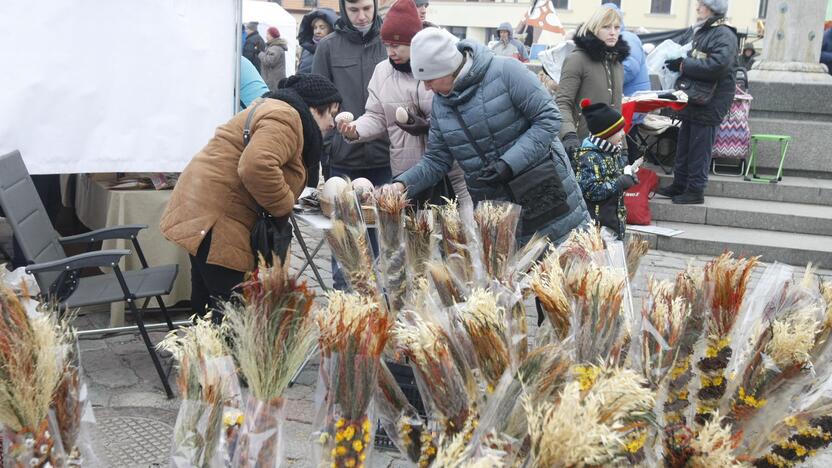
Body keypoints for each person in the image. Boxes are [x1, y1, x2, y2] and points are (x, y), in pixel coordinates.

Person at [382, 28, 590, 245]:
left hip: (546, 193)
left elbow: (549, 120)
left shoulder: (506, 71)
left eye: (429, 79)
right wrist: (402, 185)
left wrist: (509, 163)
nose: (426, 87)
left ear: (447, 68)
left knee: (565, 264)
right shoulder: (441, 105)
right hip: (498, 212)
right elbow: (436, 160)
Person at [160, 74, 342, 320]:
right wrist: (285, 204)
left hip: (204, 207)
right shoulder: (286, 117)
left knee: (209, 302)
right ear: (312, 107)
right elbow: (257, 165)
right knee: (230, 311)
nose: (333, 122)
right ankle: (224, 357)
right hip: (218, 218)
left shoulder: (274, 108)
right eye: (330, 113)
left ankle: (203, 355)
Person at [337, 0, 472, 213]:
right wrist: (356, 130)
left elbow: (459, 114)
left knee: (456, 234)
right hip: (405, 172)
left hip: (450, 172)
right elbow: (376, 115)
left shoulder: (438, 67)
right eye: (387, 45)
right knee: (414, 237)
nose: (391, 51)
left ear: (414, 43)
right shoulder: (382, 73)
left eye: (397, 45)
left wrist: (429, 126)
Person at [313, 0, 391, 290]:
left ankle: (372, 297)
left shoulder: (388, 45)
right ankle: (345, 297)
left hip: (385, 159)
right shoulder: (328, 47)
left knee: (379, 236)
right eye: (354, 10)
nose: (361, 17)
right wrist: (330, 146)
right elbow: (318, 104)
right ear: (344, 9)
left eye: (367, 10)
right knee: (345, 237)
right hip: (344, 159)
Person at [658, 0, 737, 205]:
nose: (697, 8)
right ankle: (680, 183)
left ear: (713, 8)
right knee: (685, 143)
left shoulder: (723, 34)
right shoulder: (706, 31)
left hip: (711, 100)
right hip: (697, 96)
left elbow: (717, 65)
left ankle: (695, 189)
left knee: (699, 147)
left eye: (701, 4)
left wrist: (684, 64)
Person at [556, 7, 630, 158]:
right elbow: (562, 102)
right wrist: (569, 135)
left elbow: (617, 109)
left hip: (611, 148)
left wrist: (624, 149)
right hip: (582, 144)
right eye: (606, 27)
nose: (613, 32)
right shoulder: (576, 59)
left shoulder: (617, 62)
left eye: (616, 27)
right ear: (594, 28)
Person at [573, 100, 637, 240]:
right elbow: (591, 190)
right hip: (597, 223)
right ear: (606, 134)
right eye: (618, 130)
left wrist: (628, 177)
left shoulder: (613, 151)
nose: (623, 134)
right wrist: (619, 183)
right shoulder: (589, 156)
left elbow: (615, 177)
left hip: (613, 219)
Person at [297, 8, 338, 74]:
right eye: (315, 28)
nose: (317, 31)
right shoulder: (306, 49)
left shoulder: (336, 50)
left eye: (322, 28)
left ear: (331, 29)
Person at [259, 26, 288, 91]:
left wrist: (260, 53)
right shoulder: (273, 46)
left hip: (273, 81)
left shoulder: (275, 48)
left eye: (267, 34)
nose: (266, 36)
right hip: (273, 80)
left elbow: (269, 61)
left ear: (272, 35)